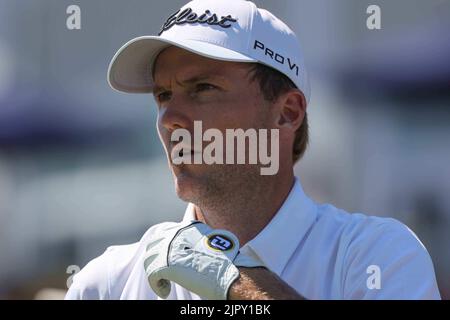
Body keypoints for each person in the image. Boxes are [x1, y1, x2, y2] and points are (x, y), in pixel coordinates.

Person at [65, 0, 441, 300]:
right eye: (163, 95)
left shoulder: (379, 256)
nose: (170, 118)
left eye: (202, 88)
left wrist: (233, 280)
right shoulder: (106, 284)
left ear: (286, 113)